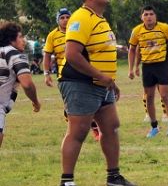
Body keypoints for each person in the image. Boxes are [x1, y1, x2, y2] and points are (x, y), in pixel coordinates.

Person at [58, 0, 137, 186]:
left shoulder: (100, 19)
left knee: (111, 126)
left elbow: (100, 54)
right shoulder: (81, 17)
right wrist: (100, 76)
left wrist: (110, 81)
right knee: (78, 131)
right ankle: (66, 182)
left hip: (101, 84)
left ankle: (114, 177)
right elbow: (72, 55)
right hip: (80, 82)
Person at [44, 8, 102, 141]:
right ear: (58, 20)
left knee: (89, 102)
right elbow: (47, 55)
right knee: (69, 107)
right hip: (65, 77)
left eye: (67, 17)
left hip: (83, 73)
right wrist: (46, 73)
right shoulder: (52, 36)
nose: (65, 20)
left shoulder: (78, 30)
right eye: (62, 18)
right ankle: (75, 131)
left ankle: (94, 129)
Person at [128, 6, 168, 137]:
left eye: (151, 14)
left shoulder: (164, 28)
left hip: (162, 66)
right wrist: (131, 68)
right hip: (147, 67)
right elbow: (132, 49)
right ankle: (154, 127)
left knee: (164, 95)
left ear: (155, 16)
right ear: (142, 17)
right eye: (146, 14)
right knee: (149, 97)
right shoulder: (137, 31)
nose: (149, 17)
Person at [1, 21, 42, 149]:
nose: (24, 40)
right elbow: (27, 84)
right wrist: (36, 101)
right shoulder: (16, 55)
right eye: (20, 37)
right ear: (11, 39)